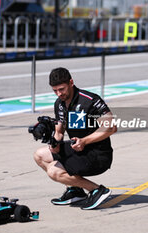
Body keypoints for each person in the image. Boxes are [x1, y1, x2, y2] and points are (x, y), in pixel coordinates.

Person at [33, 67, 117, 210]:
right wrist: (54, 141)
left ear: (71, 82)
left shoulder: (90, 100)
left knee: (54, 171)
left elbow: (111, 127)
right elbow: (59, 132)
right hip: (77, 149)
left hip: (98, 154)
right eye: (55, 91)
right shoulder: (59, 104)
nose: (59, 94)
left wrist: (85, 141)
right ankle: (75, 190)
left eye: (61, 89)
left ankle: (97, 190)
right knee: (39, 155)